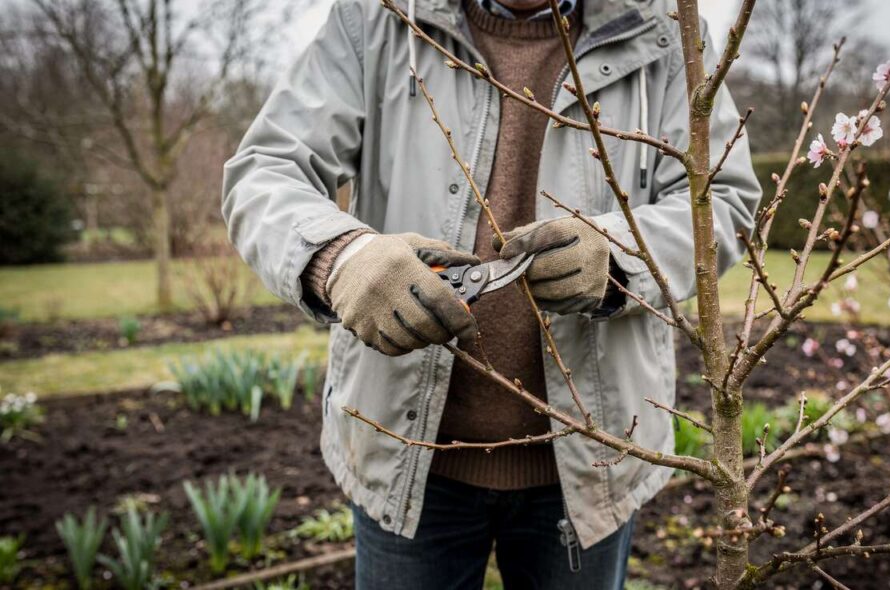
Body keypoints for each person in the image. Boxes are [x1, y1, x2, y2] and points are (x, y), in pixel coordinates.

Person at [222, 0, 761, 587]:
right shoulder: (376, 17)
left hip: (587, 460)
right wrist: (341, 259)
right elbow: (266, 170)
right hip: (406, 456)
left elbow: (722, 200)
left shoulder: (665, 30)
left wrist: (620, 255)